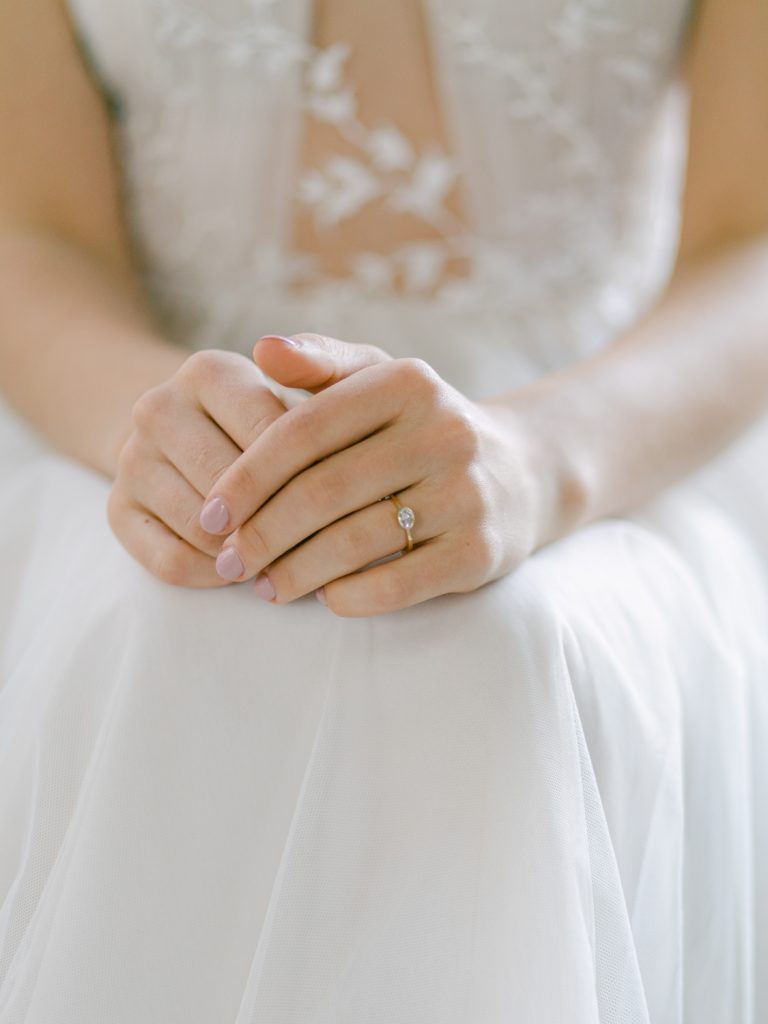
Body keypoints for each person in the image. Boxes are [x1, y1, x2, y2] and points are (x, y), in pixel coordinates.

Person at [0, 0, 766, 1020]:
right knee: (165, 624)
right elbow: (37, 229)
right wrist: (160, 436)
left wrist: (541, 461)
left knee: (504, 643)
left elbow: (749, 235)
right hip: (139, 415)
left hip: (608, 431)